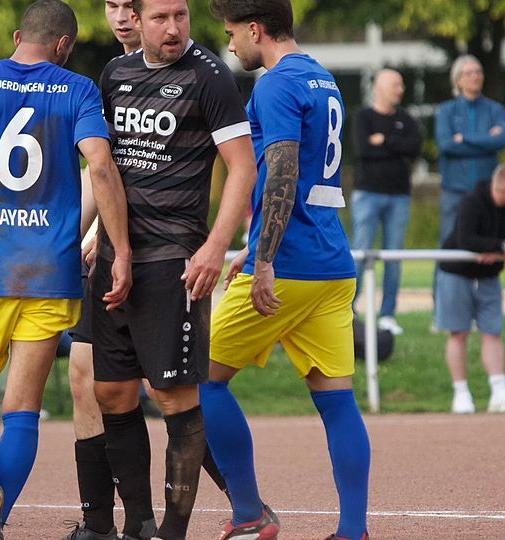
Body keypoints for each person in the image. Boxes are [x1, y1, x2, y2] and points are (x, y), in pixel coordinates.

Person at [0, 1, 131, 538]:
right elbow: (101, 167)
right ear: (64, 45)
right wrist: (120, 248)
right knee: (22, 409)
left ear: (17, 37)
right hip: (51, 272)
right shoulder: (78, 89)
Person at [202, 1, 372, 539]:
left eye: (232, 33)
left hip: (288, 264)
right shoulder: (323, 78)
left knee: (200, 380)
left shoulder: (274, 84)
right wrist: (251, 247)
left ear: (255, 30)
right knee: (337, 403)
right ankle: (352, 531)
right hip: (332, 263)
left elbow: (281, 172)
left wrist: (264, 258)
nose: (230, 44)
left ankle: (249, 514)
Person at [91, 0, 256, 538]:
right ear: (136, 21)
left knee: (175, 399)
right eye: (160, 18)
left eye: (180, 15)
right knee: (112, 393)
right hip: (116, 256)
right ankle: (137, 524)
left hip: (173, 259)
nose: (173, 28)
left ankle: (173, 531)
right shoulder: (114, 73)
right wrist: (93, 237)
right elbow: (103, 167)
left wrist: (214, 246)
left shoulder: (210, 75)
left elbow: (243, 168)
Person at [435, 163, 505, 415]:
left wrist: (494, 248)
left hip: (489, 276)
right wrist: (500, 246)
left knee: (492, 331)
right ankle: (461, 393)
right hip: (456, 273)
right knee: (458, 332)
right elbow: (466, 239)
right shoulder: (472, 201)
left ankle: (500, 391)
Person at [350, 69, 422, 336]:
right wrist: (395, 146)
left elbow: (414, 149)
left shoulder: (406, 119)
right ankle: (349, 309)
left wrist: (385, 141)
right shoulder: (363, 117)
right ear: (379, 88)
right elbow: (362, 149)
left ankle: (388, 314)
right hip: (367, 193)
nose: (400, 90)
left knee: (394, 256)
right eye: (395, 85)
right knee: (359, 253)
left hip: (399, 195)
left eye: (401, 85)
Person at [434, 55, 505, 245]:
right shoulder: (446, 111)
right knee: (448, 243)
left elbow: (500, 141)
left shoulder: (495, 109)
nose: (475, 76)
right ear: (458, 80)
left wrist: (465, 138)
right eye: (469, 73)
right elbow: (446, 145)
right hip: (454, 190)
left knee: (488, 243)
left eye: (478, 72)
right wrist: (485, 142)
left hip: (486, 191)